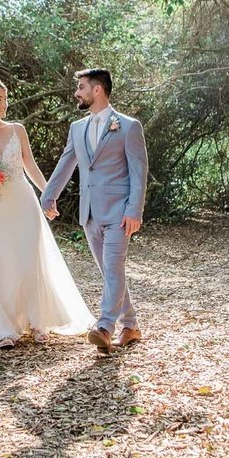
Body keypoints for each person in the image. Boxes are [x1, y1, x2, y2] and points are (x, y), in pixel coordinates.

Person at [0, 77, 95, 349]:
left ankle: (37, 322)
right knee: (0, 262)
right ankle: (5, 329)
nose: (4, 104)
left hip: (24, 204)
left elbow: (31, 167)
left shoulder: (17, 130)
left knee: (28, 260)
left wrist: (49, 195)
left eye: (6, 98)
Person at [40, 68, 148, 353]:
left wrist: (135, 210)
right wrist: (48, 197)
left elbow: (139, 173)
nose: (77, 92)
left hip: (120, 213)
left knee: (113, 268)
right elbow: (66, 163)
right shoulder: (77, 128)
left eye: (81, 86)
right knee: (110, 273)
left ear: (97, 90)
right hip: (89, 213)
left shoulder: (128, 126)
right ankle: (132, 326)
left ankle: (104, 327)